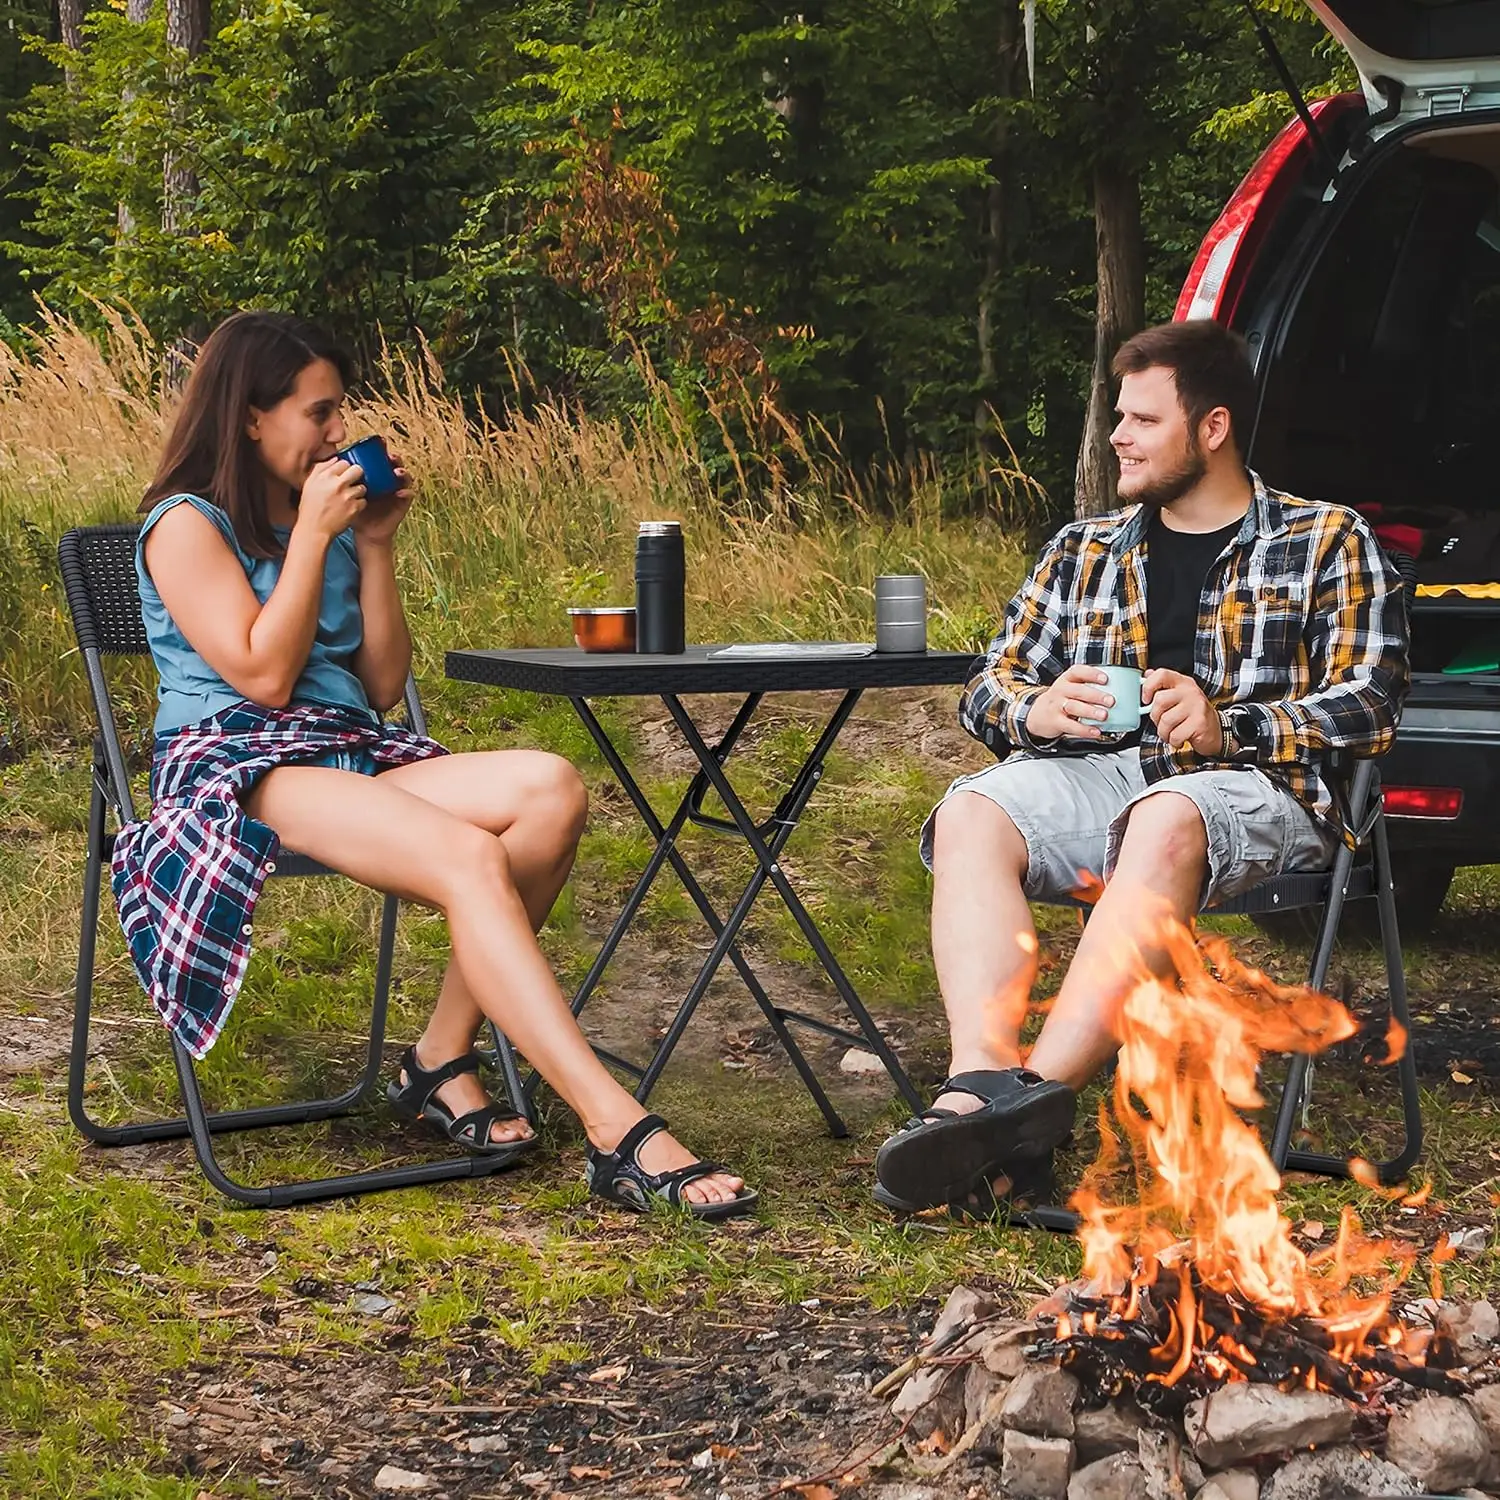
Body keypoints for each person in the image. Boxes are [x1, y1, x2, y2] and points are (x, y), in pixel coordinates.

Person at [112, 310, 755, 1220]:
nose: (339, 434)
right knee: (469, 856)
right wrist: (310, 541)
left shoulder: (322, 525)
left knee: (548, 788)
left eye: (341, 414)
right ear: (250, 416)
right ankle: (617, 1128)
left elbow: (377, 684)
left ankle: (439, 1059)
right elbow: (258, 675)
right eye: (319, 413)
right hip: (240, 762)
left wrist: (372, 547)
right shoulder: (186, 525)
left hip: (347, 751)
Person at [873, 320, 1410, 1216]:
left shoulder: (1327, 541)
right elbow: (988, 685)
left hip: (1259, 790)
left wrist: (1229, 727)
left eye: (1141, 419)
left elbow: (1373, 702)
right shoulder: (1084, 549)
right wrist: (1030, 710)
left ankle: (1023, 1107)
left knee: (1167, 812)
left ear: (1212, 428)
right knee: (972, 811)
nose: (1117, 434)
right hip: (1105, 776)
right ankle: (978, 1095)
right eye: (1118, 414)